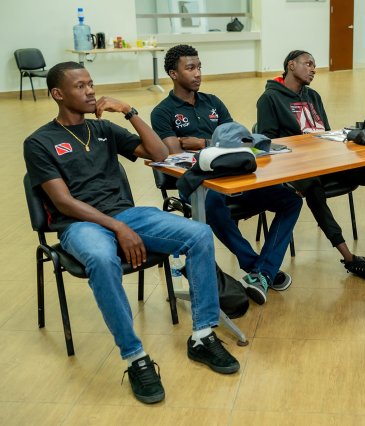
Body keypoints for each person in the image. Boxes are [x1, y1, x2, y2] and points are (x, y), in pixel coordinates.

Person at [23, 62, 239, 404]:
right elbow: (63, 202)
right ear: (58, 94)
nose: (90, 91)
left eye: (91, 84)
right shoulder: (39, 142)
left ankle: (202, 335)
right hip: (78, 225)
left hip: (127, 214)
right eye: (80, 86)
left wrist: (129, 111)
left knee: (198, 235)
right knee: (101, 258)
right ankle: (135, 357)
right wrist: (117, 227)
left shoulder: (104, 129)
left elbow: (160, 155)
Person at [256, 50, 365, 280]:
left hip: (327, 160)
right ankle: (349, 258)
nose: (313, 69)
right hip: (297, 168)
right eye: (308, 64)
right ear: (291, 65)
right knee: (314, 189)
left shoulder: (313, 96)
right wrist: (302, 150)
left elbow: (325, 132)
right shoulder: (269, 99)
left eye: (314, 65)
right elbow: (267, 143)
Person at [151, 45, 302, 305]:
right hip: (197, 185)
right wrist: (215, 144)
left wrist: (201, 143)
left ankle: (262, 272)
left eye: (199, 67)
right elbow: (175, 152)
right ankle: (258, 268)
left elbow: (238, 141)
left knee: (291, 200)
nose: (198, 73)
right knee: (212, 202)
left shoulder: (213, 103)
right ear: (173, 74)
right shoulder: (163, 112)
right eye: (190, 68)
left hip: (233, 177)